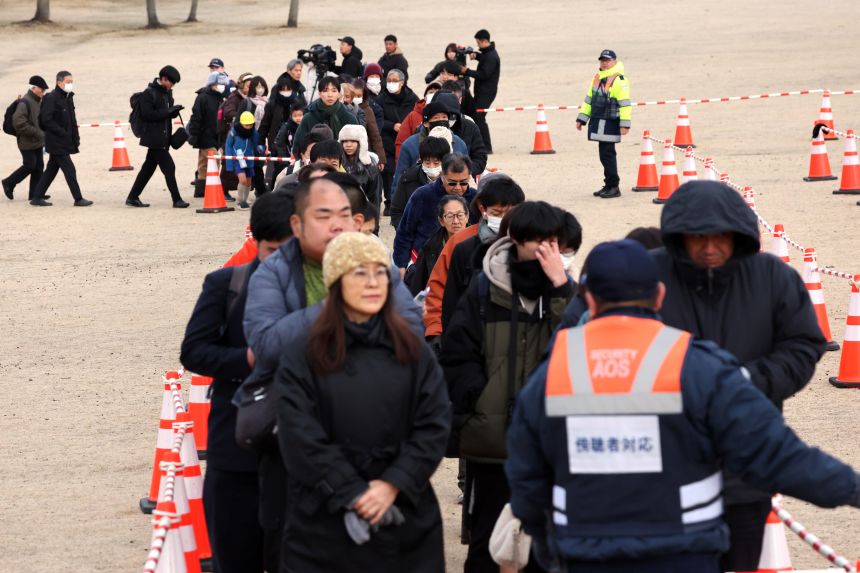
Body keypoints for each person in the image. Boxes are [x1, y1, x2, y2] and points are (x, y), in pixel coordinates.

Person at [505, 239, 860, 573]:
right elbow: (776, 455)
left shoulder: (553, 371)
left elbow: (525, 476)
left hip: (585, 552)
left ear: (589, 299)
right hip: (684, 551)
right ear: (660, 296)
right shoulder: (697, 365)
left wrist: (551, 533)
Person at [243, 178, 425, 570]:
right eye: (323, 216)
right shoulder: (273, 272)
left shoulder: (374, 263)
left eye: (344, 215)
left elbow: (413, 330)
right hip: (297, 445)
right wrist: (335, 306)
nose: (337, 225)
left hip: (379, 437)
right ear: (297, 225)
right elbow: (265, 344)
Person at [649, 180, 829, 572]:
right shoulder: (650, 274)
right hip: (663, 467)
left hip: (746, 466)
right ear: (678, 236)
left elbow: (803, 344)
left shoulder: (773, 276)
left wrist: (749, 382)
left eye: (722, 237)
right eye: (698, 238)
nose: (711, 248)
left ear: (740, 235)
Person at [274, 231, 449, 573]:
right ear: (336, 282)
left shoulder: (413, 352)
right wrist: (351, 491)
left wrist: (392, 484)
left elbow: (435, 423)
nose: (373, 283)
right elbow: (298, 434)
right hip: (322, 520)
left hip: (405, 515)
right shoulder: (304, 354)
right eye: (359, 273)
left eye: (380, 272)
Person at [442, 201, 579, 573]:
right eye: (535, 241)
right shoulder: (486, 289)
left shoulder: (567, 292)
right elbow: (456, 353)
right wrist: (479, 400)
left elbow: (583, 348)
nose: (544, 250)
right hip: (493, 441)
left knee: (545, 545)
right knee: (488, 542)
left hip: (552, 443)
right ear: (514, 239)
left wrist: (562, 289)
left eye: (552, 242)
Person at [180, 192, 294, 573]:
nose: (280, 261)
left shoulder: (322, 292)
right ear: (255, 241)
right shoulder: (227, 285)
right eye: (272, 250)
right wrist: (246, 358)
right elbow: (193, 351)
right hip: (236, 447)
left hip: (299, 456)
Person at [427, 173, 526, 338]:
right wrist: (435, 333)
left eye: (510, 212)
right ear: (483, 208)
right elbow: (439, 293)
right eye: (497, 212)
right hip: (471, 338)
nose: (504, 219)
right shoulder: (461, 243)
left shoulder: (532, 244)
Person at [393, 153, 477, 272]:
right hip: (424, 265)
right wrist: (401, 266)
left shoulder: (475, 199)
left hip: (464, 264)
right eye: (452, 183)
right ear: (442, 175)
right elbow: (405, 233)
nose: (458, 188)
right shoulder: (422, 196)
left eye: (463, 183)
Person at [125, 65, 189, 208]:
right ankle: (176, 199)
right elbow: (147, 114)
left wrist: (173, 111)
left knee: (148, 169)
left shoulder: (167, 92)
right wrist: (168, 111)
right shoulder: (149, 93)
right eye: (171, 82)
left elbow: (163, 114)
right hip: (153, 138)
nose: (172, 86)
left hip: (163, 137)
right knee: (169, 168)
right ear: (163, 79)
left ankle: (132, 197)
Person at [29, 71, 92, 207]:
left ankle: (37, 197)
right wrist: (62, 133)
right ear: (59, 82)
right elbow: (46, 120)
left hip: (64, 140)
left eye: (71, 82)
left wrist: (75, 136)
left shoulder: (67, 97)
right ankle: (78, 198)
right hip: (56, 141)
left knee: (51, 170)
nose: (70, 84)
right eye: (68, 82)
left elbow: (71, 120)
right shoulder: (52, 98)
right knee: (70, 170)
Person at [575, 49, 632, 199]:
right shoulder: (597, 78)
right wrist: (582, 118)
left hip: (610, 122)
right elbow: (589, 100)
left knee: (608, 154)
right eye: (602, 60)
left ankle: (614, 186)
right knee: (604, 154)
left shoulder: (619, 80)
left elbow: (625, 104)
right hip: (598, 120)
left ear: (614, 61)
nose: (604, 63)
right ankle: (608, 185)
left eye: (607, 60)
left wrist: (625, 124)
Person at [392, 105, 469, 197]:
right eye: (436, 118)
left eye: (444, 117)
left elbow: (466, 174)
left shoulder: (459, 143)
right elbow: (400, 177)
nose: (441, 120)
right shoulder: (410, 145)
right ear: (426, 123)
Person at [405, 194, 469, 295]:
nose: (456, 221)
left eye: (460, 215)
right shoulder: (429, 248)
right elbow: (417, 286)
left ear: (467, 217)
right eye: (450, 216)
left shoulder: (479, 244)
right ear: (441, 221)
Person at [377, 68, 418, 215]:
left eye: (394, 81)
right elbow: (378, 120)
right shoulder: (381, 99)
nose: (391, 84)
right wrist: (392, 125)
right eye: (389, 81)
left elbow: (417, 116)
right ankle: (390, 201)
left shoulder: (412, 98)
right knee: (389, 173)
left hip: (407, 141)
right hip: (387, 140)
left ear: (402, 82)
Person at [3, 75, 48, 202]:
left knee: (39, 166)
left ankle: (35, 194)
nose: (43, 92)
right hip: (26, 141)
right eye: (42, 89)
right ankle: (8, 182)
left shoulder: (37, 100)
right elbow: (19, 123)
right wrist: (38, 133)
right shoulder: (25, 102)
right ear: (33, 88)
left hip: (37, 140)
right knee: (30, 165)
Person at [391, 136, 450, 228]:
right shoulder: (408, 179)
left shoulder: (455, 180)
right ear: (421, 160)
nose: (431, 166)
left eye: (436, 163)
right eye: (427, 162)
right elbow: (397, 211)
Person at [292, 77, 358, 158]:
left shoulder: (349, 118)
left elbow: (358, 146)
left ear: (338, 94)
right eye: (325, 90)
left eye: (334, 91)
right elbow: (297, 147)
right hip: (314, 166)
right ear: (319, 93)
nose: (330, 95)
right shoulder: (308, 118)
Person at [188, 71, 229, 199]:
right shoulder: (202, 97)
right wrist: (193, 134)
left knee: (203, 163)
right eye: (219, 83)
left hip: (216, 136)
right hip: (205, 136)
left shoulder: (220, 97)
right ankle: (213, 189)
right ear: (212, 83)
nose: (221, 86)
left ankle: (200, 190)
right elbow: (196, 117)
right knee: (214, 162)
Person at [461, 30, 500, 154]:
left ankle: (487, 147)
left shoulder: (492, 57)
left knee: (479, 117)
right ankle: (482, 145)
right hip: (482, 92)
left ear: (484, 41)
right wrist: (476, 55)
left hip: (487, 93)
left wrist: (466, 71)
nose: (477, 45)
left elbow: (484, 74)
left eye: (478, 42)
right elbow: (484, 56)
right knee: (477, 116)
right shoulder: (487, 53)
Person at [435, 88, 488, 176]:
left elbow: (480, 157)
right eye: (443, 115)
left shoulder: (470, 127)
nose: (447, 119)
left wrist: (464, 170)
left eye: (452, 115)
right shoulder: (425, 127)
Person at [225, 111, 263, 210]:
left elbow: (256, 144)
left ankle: (245, 200)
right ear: (241, 123)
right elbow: (228, 146)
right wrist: (229, 163)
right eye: (247, 125)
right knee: (242, 180)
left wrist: (260, 148)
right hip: (238, 159)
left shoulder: (253, 132)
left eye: (251, 124)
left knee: (249, 183)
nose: (249, 126)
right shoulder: (234, 131)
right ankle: (240, 200)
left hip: (249, 159)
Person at [394, 82, 441, 163]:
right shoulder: (413, 115)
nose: (433, 94)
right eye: (430, 92)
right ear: (425, 97)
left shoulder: (445, 116)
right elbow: (401, 142)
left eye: (436, 92)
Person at [339, 124, 381, 209]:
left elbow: (374, 197)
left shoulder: (370, 168)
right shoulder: (336, 165)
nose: (348, 145)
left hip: (362, 213)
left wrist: (373, 220)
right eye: (345, 141)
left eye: (353, 141)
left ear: (361, 143)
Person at [351, 78, 386, 164]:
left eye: (359, 96)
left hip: (364, 152)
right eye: (354, 95)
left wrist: (381, 159)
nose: (356, 98)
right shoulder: (345, 108)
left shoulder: (367, 110)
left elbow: (375, 136)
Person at [269, 103, 305, 187]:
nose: (298, 118)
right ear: (291, 116)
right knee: (280, 179)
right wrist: (285, 160)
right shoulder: (286, 127)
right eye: (295, 116)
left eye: (300, 115)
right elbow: (279, 144)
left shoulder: (306, 127)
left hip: (301, 160)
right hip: (287, 160)